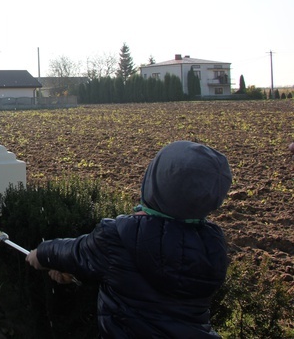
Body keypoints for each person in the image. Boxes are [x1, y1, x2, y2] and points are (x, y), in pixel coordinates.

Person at [26, 140, 232, 338]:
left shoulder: (120, 235)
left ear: (155, 182)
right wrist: (76, 277)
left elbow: (76, 252)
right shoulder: (212, 243)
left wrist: (42, 253)